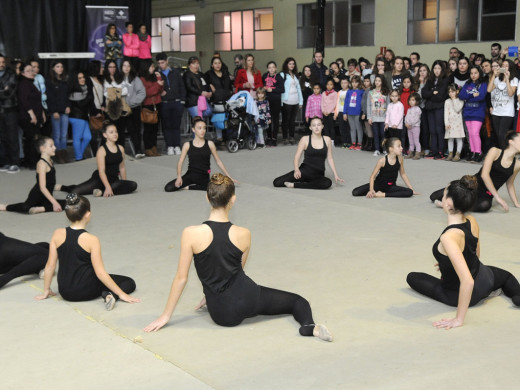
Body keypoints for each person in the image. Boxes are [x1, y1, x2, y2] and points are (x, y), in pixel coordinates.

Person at [145, 173, 333, 341]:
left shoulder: (191, 233)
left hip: (221, 313)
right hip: (249, 298)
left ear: (207, 197)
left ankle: (308, 327)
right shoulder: (244, 233)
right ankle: (308, 326)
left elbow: (181, 278)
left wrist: (167, 315)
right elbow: (236, 270)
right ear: (233, 199)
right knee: (297, 301)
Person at [408, 175, 520, 330]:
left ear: (447, 203)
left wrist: (458, 320)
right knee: (506, 276)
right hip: (485, 279)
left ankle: (462, 310)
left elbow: (467, 281)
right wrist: (448, 263)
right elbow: (475, 254)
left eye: (445, 193)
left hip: (461, 293)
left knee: (412, 277)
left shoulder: (448, 237)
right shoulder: (472, 220)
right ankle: (517, 296)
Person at [35, 193, 140, 309]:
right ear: (88, 215)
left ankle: (109, 293)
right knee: (129, 282)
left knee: (106, 280)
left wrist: (46, 289)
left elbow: (50, 265)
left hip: (64, 291)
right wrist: (121, 294)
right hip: (84, 290)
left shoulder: (57, 233)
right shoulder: (91, 240)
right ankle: (111, 295)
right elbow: (100, 273)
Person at [430, 131, 520, 212]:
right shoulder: (495, 152)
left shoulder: (517, 164)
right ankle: (454, 203)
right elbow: (485, 175)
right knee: (434, 196)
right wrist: (497, 197)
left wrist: (516, 203)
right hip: (472, 184)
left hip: (487, 194)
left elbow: (510, 184)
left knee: (485, 206)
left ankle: (453, 206)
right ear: (511, 142)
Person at [165, 117, 237, 192]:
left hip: (204, 176)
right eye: (199, 128)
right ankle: (195, 185)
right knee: (168, 188)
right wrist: (179, 177)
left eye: (204, 128)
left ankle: (190, 187)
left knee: (215, 187)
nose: (202, 131)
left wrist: (229, 176)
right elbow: (180, 162)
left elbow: (218, 161)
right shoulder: (187, 145)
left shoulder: (210, 144)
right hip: (190, 175)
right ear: (193, 129)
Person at [66, 122, 137, 197]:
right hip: (99, 179)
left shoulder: (121, 148)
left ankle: (102, 191)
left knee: (133, 185)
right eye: (111, 132)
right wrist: (107, 186)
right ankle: (64, 187)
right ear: (105, 135)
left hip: (114, 180)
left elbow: (122, 167)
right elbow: (101, 171)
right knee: (75, 191)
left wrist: (124, 183)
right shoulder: (101, 150)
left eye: (116, 132)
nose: (115, 134)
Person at [0, 137, 68, 214]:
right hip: (37, 195)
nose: (54, 148)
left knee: (75, 202)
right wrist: (54, 203)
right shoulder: (42, 164)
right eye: (51, 146)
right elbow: (42, 187)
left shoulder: (50, 160)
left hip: (47, 196)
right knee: (25, 207)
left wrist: (53, 201)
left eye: (54, 145)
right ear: (42, 148)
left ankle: (42, 208)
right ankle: (5, 206)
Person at [273, 116, 343, 189]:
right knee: (277, 182)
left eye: (319, 125)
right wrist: (297, 170)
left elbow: (330, 158)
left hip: (318, 174)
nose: (316, 127)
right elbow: (297, 157)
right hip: (304, 172)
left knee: (327, 183)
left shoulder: (327, 139)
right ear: (310, 127)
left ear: (322, 126)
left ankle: (294, 185)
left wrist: (336, 174)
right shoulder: (305, 139)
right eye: (314, 125)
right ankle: (308, 183)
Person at [156, 52, 186, 156]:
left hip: (177, 102)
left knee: (176, 125)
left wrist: (182, 101)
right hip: (164, 103)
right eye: (159, 63)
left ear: (167, 61)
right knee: (167, 126)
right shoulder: (156, 74)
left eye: (162, 62)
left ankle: (177, 145)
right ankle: (170, 146)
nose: (161, 65)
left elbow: (182, 86)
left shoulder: (176, 72)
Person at [17, 63, 45, 169]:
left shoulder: (31, 83)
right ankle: (31, 162)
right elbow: (24, 101)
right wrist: (32, 115)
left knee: (34, 139)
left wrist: (41, 113)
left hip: (35, 116)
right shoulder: (23, 84)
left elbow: (37, 101)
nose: (32, 72)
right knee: (31, 140)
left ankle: (33, 161)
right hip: (27, 117)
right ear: (22, 73)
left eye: (32, 70)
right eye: (28, 71)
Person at [459, 65, 488, 163]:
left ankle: (478, 153)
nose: (473, 75)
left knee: (475, 133)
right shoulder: (467, 83)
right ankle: (473, 152)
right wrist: (472, 94)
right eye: (471, 73)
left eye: (475, 73)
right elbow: (461, 95)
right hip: (467, 112)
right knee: (470, 134)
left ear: (479, 73)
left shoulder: (483, 84)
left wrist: (468, 97)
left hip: (478, 112)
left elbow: (481, 96)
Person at [488, 59, 518, 149]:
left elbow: (510, 93)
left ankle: (504, 153)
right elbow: (489, 90)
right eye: (503, 65)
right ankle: (503, 153)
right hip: (496, 112)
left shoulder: (514, 79)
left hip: (507, 112)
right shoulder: (497, 79)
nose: (504, 67)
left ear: (510, 67)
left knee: (502, 134)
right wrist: (494, 74)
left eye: (507, 65)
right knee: (498, 135)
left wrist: (507, 79)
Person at [422, 60, 449, 160]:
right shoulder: (430, 80)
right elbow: (423, 93)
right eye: (435, 68)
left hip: (439, 107)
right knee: (432, 130)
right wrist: (433, 92)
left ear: (442, 70)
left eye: (439, 68)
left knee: (439, 130)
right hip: (430, 108)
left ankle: (441, 151)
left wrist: (431, 94)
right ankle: (434, 151)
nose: (436, 71)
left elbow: (441, 96)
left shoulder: (446, 80)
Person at [46, 61, 70, 164]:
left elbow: (67, 95)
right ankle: (57, 155)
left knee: (64, 134)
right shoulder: (49, 81)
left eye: (61, 66)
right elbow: (50, 98)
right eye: (58, 66)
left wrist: (68, 106)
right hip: (55, 111)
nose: (60, 68)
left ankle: (64, 154)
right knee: (57, 134)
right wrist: (53, 111)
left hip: (64, 111)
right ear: (53, 68)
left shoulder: (65, 81)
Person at [121, 59, 146, 157]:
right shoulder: (118, 79)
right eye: (124, 65)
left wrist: (131, 102)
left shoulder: (136, 79)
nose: (126, 68)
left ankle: (138, 151)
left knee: (135, 130)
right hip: (121, 109)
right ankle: (120, 152)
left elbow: (142, 93)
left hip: (134, 108)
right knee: (120, 131)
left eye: (128, 66)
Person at [0, 53, 20, 174]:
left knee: (12, 137)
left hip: (10, 110)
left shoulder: (11, 74)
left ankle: (15, 163)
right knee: (2, 138)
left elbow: (9, 93)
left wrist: (4, 91)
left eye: (2, 62)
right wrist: (3, 89)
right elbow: (4, 91)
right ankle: (4, 162)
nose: (1, 64)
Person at [139, 59, 163, 157]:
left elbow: (160, 89)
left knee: (155, 128)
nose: (154, 68)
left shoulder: (155, 77)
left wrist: (159, 79)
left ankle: (154, 147)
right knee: (148, 128)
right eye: (152, 66)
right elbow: (147, 92)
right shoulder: (142, 79)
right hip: (147, 105)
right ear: (146, 67)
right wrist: (158, 85)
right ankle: (148, 148)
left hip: (157, 104)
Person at [68, 71, 93, 161]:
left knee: (88, 137)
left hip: (83, 117)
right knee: (77, 138)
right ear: (75, 80)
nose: (83, 79)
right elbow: (81, 104)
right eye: (80, 78)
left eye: (83, 77)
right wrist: (89, 97)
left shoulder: (84, 89)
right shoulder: (75, 91)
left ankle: (79, 155)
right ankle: (79, 157)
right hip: (77, 117)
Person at [280, 57, 303, 145]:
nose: (292, 65)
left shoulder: (295, 75)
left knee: (292, 121)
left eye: (293, 64)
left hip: (295, 101)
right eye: (290, 64)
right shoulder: (282, 75)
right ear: (286, 65)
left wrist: (300, 102)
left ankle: (292, 137)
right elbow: (280, 89)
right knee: (285, 120)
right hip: (286, 101)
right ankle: (285, 137)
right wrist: (281, 101)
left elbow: (299, 89)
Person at [261, 61, 284, 146]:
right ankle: (269, 137)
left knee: (275, 119)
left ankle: (274, 138)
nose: (271, 69)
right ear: (267, 69)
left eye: (273, 67)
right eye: (269, 67)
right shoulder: (264, 76)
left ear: (276, 68)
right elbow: (261, 86)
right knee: (268, 119)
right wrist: (263, 87)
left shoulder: (279, 77)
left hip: (276, 101)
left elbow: (282, 90)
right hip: (267, 100)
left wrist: (272, 90)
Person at [367, 74, 390, 156]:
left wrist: (388, 118)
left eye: (379, 81)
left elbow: (388, 105)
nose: (377, 82)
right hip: (374, 117)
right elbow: (369, 105)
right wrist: (369, 117)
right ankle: (377, 149)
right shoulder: (371, 92)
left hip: (383, 118)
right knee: (375, 134)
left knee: (383, 134)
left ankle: (384, 149)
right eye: (376, 80)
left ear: (382, 82)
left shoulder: (386, 92)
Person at [184, 56, 213, 120]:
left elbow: (207, 84)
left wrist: (209, 91)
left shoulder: (201, 74)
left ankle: (200, 122)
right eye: (193, 63)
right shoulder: (187, 74)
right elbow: (189, 87)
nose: (196, 65)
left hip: (202, 99)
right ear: (189, 65)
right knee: (198, 119)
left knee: (209, 112)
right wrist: (201, 92)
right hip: (193, 101)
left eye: (197, 63)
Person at [87, 60, 105, 155]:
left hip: (102, 109)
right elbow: (90, 97)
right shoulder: (89, 80)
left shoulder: (101, 79)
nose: (102, 69)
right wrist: (94, 110)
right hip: (94, 110)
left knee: (104, 132)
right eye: (101, 67)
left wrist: (103, 105)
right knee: (93, 132)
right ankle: (95, 153)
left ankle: (101, 151)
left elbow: (104, 94)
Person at [444, 84, 465, 162]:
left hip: (458, 123)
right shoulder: (447, 101)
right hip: (450, 123)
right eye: (449, 92)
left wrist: (454, 99)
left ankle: (458, 154)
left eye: (452, 91)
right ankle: (450, 153)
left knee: (459, 139)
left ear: (457, 91)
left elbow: (457, 109)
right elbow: (446, 113)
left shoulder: (461, 100)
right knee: (450, 139)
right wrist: (446, 123)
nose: (450, 93)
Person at [343, 75, 364, 150]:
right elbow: (346, 102)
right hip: (350, 112)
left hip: (358, 112)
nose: (354, 84)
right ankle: (353, 143)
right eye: (353, 82)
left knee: (359, 128)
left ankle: (359, 143)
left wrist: (362, 112)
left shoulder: (361, 91)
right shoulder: (349, 91)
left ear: (359, 83)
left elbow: (362, 103)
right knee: (352, 128)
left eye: (356, 82)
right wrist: (344, 113)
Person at [335, 78, 351, 148]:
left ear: (348, 83)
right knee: (342, 128)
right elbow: (337, 103)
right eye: (342, 83)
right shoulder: (339, 92)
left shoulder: (349, 91)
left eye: (345, 83)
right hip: (340, 111)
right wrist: (336, 113)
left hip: (347, 112)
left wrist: (347, 112)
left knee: (348, 128)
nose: (344, 84)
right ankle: (344, 142)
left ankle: (349, 142)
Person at [404, 93, 422, 159]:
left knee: (416, 140)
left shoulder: (418, 109)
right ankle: (410, 152)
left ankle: (418, 153)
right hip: (409, 128)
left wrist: (410, 124)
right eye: (410, 100)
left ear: (417, 101)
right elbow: (406, 117)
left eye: (413, 100)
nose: (411, 101)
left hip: (415, 127)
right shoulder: (409, 109)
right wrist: (406, 123)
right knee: (410, 140)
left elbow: (416, 119)